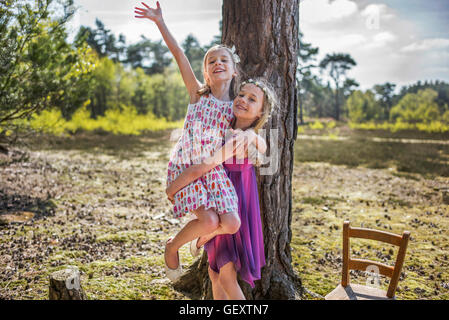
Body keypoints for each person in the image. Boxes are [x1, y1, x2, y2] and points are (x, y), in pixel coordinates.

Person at [134, 1, 262, 282]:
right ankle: (172, 247)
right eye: (211, 61)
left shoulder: (236, 107)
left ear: (233, 71)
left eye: (223, 60)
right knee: (208, 219)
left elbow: (255, 125)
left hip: (212, 171)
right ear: (205, 72)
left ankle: (200, 240)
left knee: (230, 222)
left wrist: (253, 136)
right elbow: (179, 54)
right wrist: (160, 22)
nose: (217, 63)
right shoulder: (198, 94)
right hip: (187, 167)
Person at [166, 78, 277, 299]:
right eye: (242, 94)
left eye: (252, 99)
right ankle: (203, 237)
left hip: (237, 205)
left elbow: (265, 148)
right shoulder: (223, 126)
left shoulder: (244, 138)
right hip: (220, 201)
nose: (243, 100)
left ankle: (202, 238)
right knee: (215, 272)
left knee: (225, 276)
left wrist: (252, 135)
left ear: (260, 113)